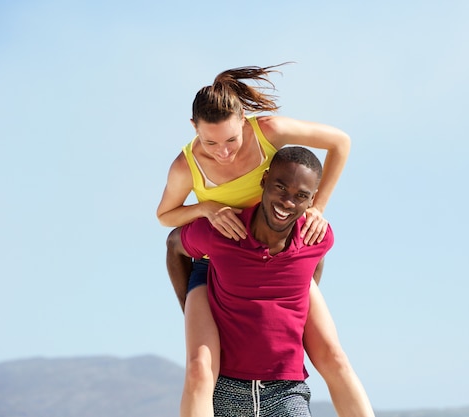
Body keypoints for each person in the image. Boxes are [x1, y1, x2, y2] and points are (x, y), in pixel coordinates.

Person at [157, 64, 374, 417]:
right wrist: (208, 207)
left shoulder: (268, 131)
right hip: (216, 261)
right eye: (210, 142)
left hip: (278, 257)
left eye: (231, 140)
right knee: (199, 370)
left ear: (244, 120)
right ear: (194, 128)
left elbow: (340, 142)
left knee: (334, 356)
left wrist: (318, 207)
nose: (222, 152)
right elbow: (165, 216)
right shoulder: (186, 166)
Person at [168, 147, 334, 416]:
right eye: (281, 187)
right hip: (224, 390)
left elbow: (315, 256)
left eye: (301, 196)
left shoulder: (314, 237)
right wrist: (191, 309)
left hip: (285, 391)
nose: (288, 202)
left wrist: (293, 307)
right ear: (264, 180)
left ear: (311, 199)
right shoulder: (223, 233)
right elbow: (174, 243)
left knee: (336, 359)